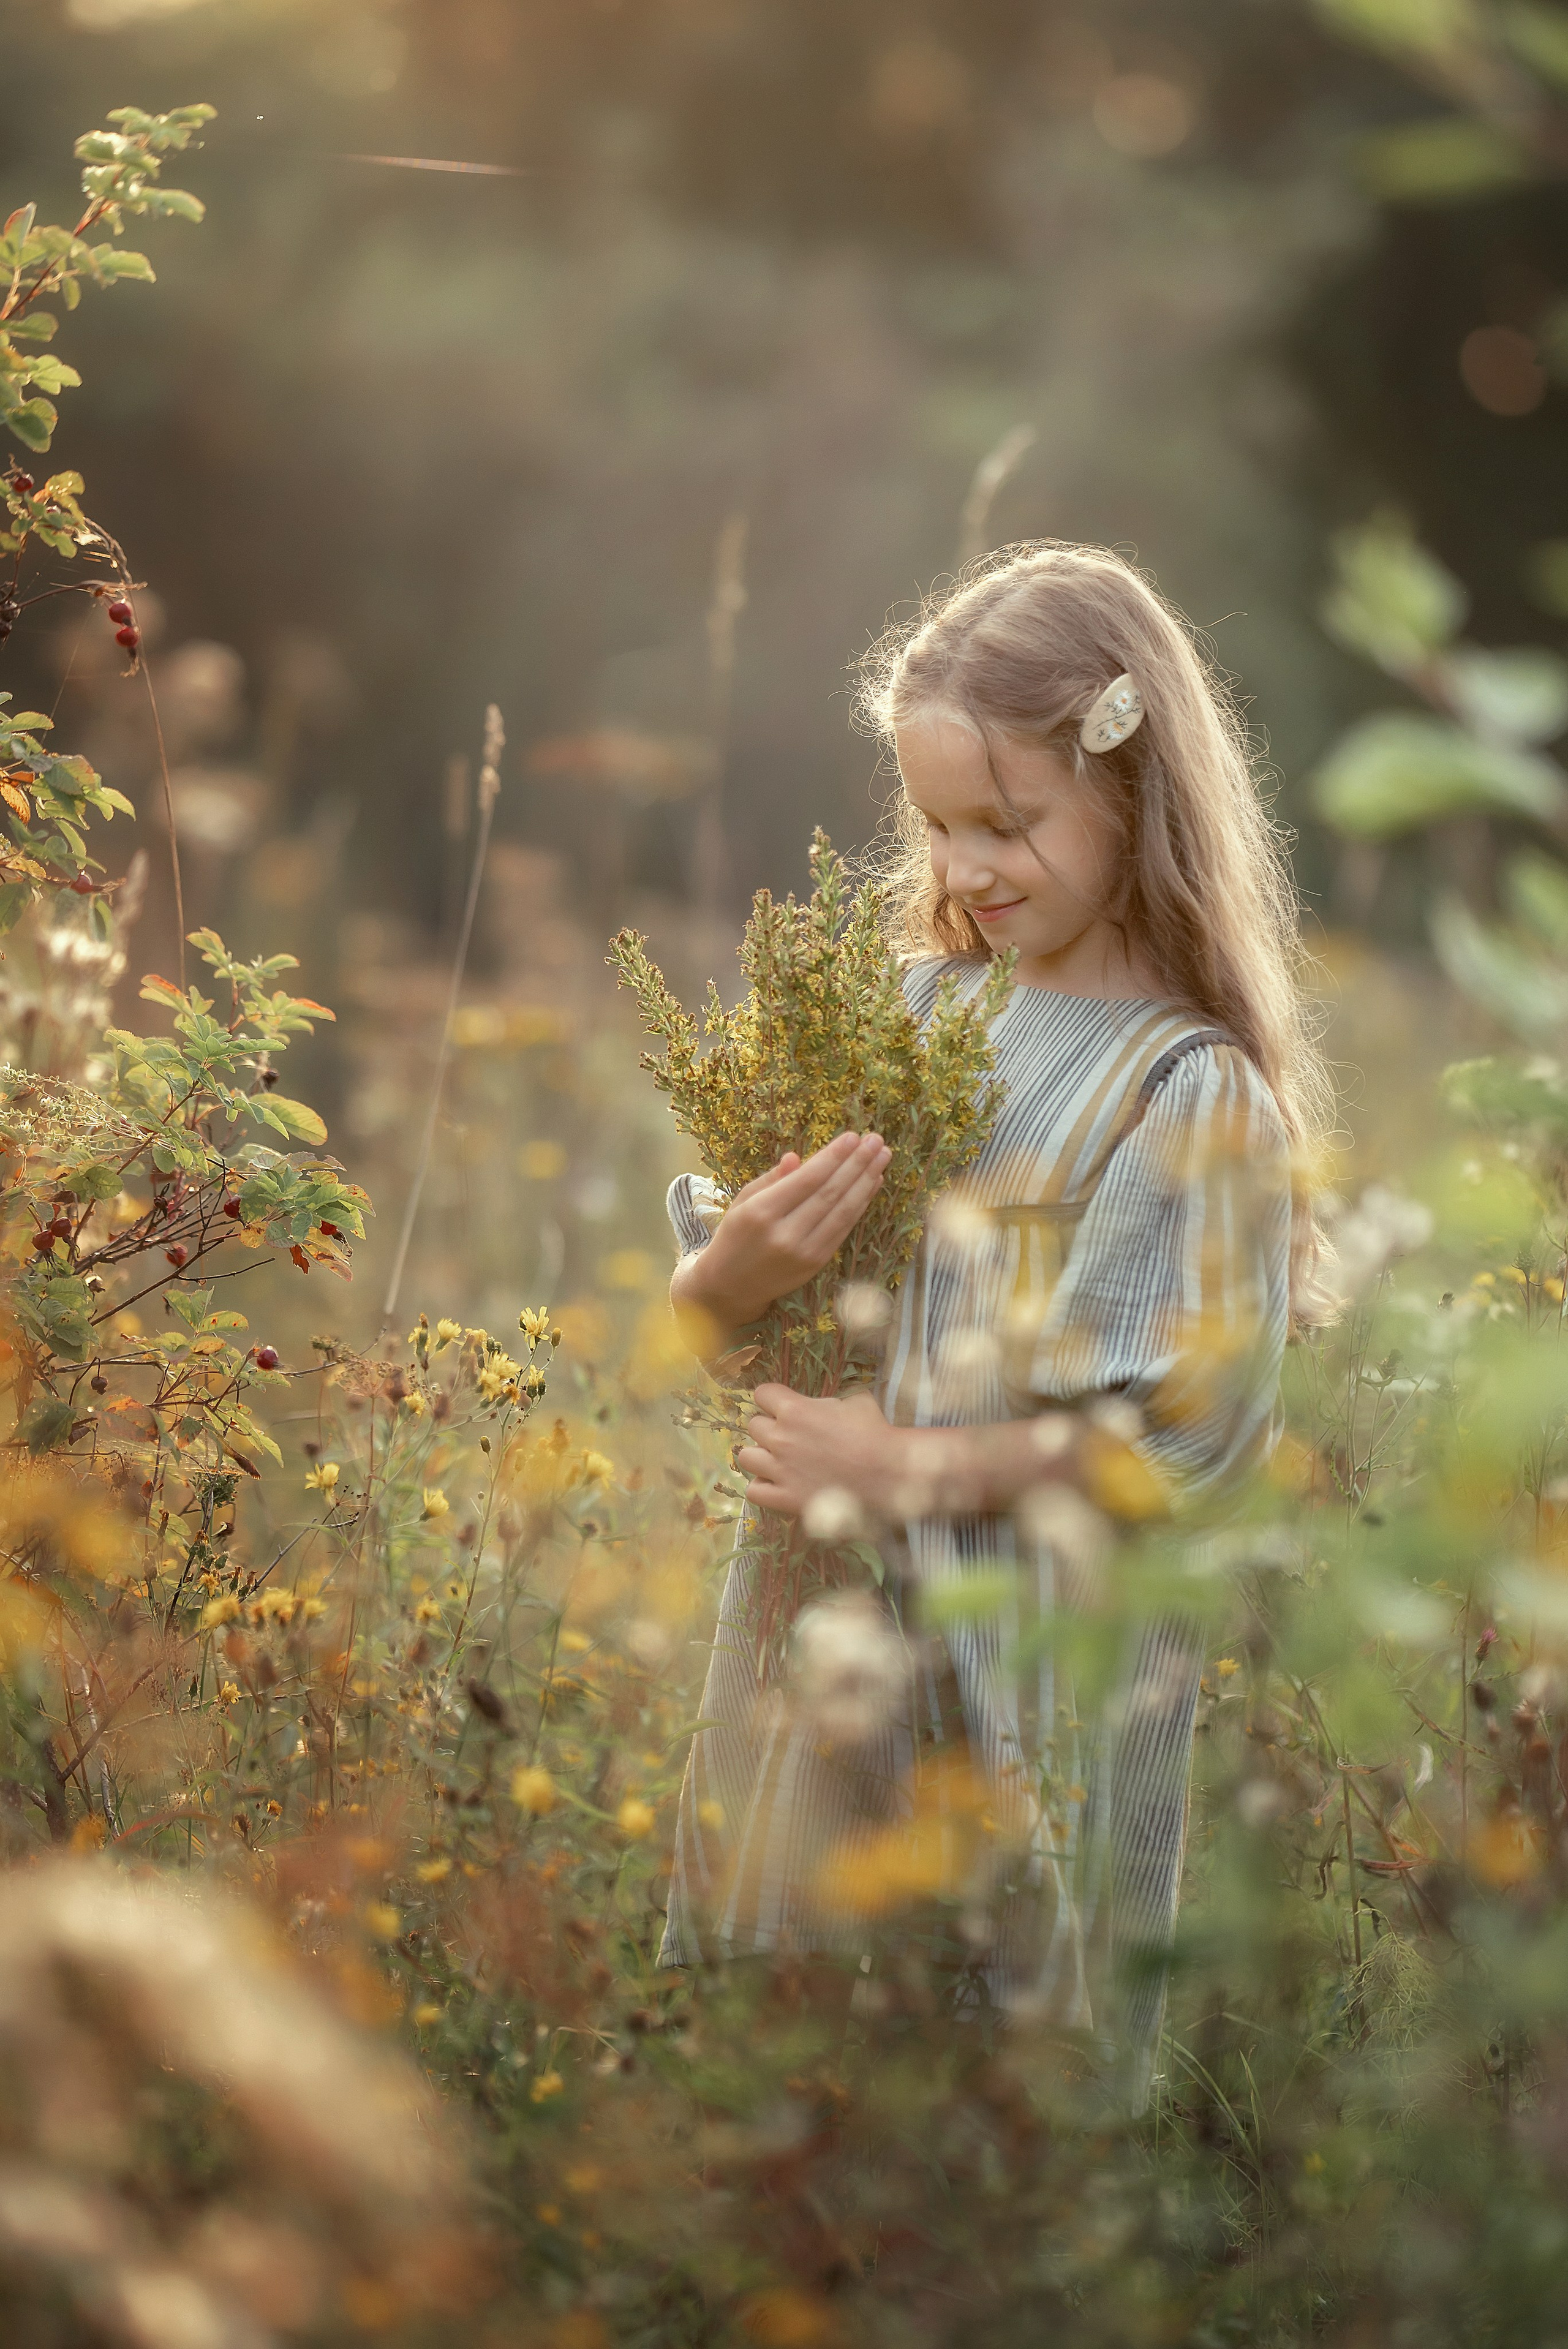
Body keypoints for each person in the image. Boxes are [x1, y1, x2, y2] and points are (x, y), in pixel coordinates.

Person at [656, 543, 1332, 2105]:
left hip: (1030, 1704)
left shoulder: (1186, 1090)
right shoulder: (901, 1023)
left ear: (1131, 781)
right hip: (820, 1693)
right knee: (795, 2129)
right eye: (940, 827)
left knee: (991, 2143)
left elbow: (1186, 1446)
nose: (964, 869)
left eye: (1007, 823)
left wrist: (902, 1468)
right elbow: (714, 1338)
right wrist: (728, 1279)